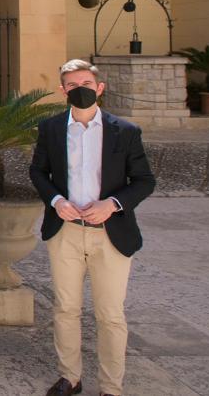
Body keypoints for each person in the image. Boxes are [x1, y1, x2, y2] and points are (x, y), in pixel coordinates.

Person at [30, 60, 155, 396]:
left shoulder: (125, 131)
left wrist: (111, 205)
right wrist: (56, 200)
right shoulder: (51, 129)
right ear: (63, 90)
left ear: (100, 88)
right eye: (72, 84)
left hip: (110, 235)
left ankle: (111, 387)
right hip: (66, 232)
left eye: (86, 82)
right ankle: (70, 377)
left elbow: (144, 181)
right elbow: (38, 173)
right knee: (66, 308)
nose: (79, 89)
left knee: (110, 314)